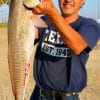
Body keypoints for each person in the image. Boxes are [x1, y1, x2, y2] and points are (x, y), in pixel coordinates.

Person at [30, 0, 100, 100]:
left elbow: (78, 46)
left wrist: (52, 11)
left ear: (82, 1)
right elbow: (23, 37)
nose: (68, 0)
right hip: (39, 95)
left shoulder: (89, 25)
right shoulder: (45, 21)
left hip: (68, 97)